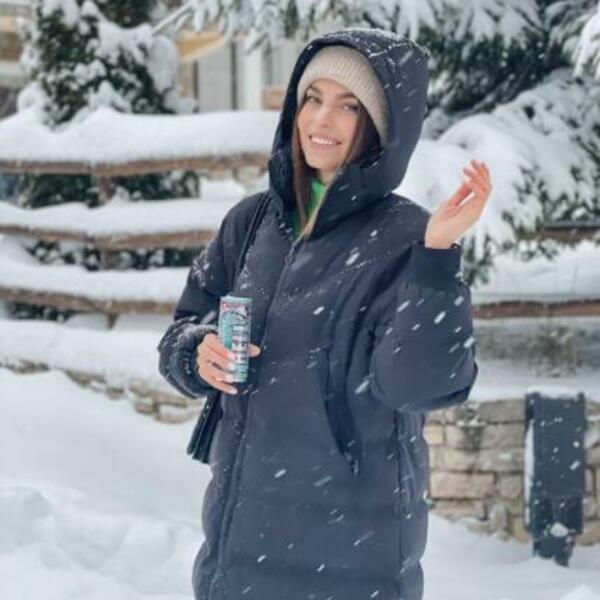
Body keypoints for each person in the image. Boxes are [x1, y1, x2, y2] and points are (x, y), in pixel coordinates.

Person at [157, 27, 490, 600]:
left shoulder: (409, 237)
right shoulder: (252, 223)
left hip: (355, 554)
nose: (321, 119)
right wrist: (196, 352)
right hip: (237, 550)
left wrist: (436, 259)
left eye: (349, 105)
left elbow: (419, 385)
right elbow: (181, 333)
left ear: (382, 127)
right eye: (312, 98)